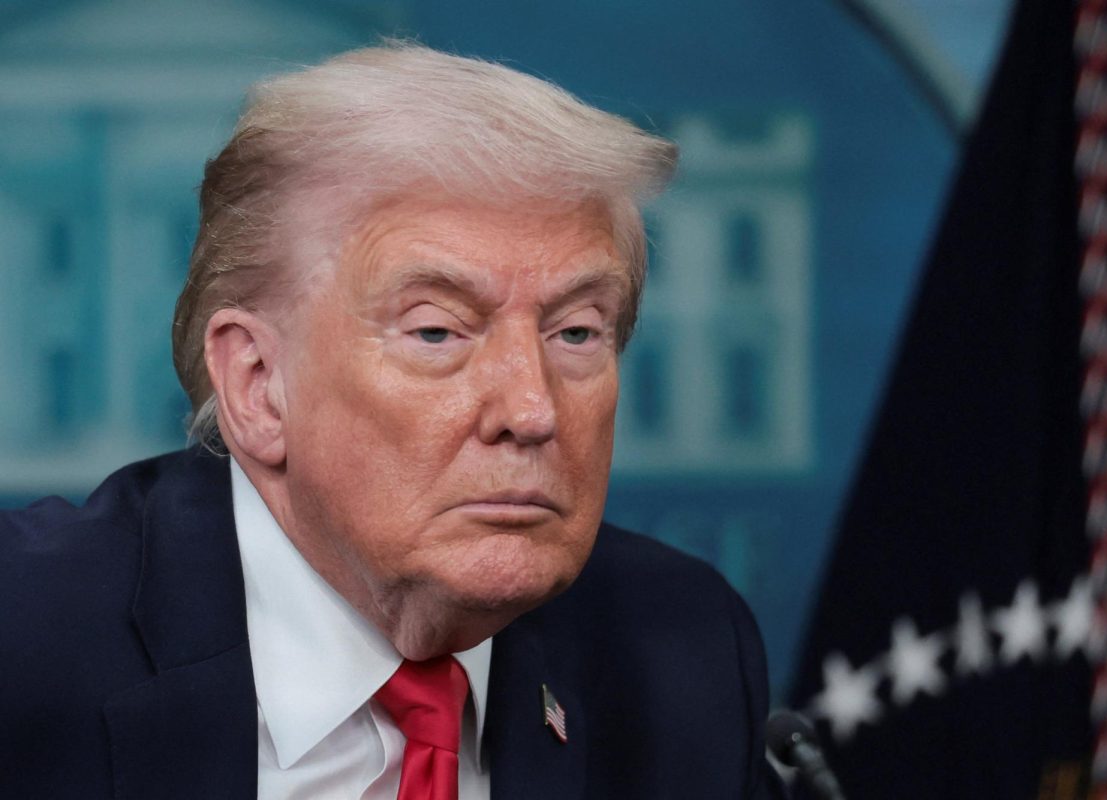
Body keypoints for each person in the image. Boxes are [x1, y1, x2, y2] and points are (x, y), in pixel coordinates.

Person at [0, 42, 784, 799]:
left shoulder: (683, 653)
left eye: (575, 333)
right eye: (437, 331)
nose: (532, 410)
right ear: (258, 384)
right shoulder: (25, 640)